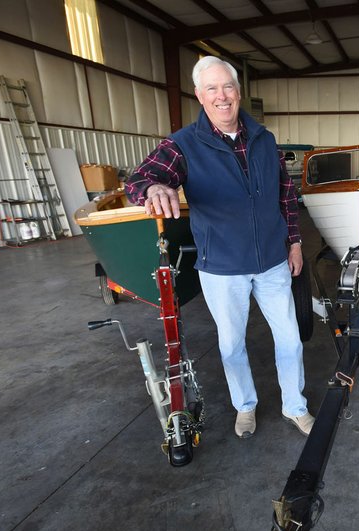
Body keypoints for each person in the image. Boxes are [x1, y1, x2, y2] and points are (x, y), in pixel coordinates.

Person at [125, 56, 314, 439]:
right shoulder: (183, 144)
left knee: (290, 340)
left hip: (273, 262)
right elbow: (140, 179)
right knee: (231, 346)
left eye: (227, 86)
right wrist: (154, 189)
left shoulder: (265, 139)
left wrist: (294, 242)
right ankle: (245, 407)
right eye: (211, 88)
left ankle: (295, 406)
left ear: (239, 92)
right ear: (199, 95)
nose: (221, 96)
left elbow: (285, 194)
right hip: (222, 266)